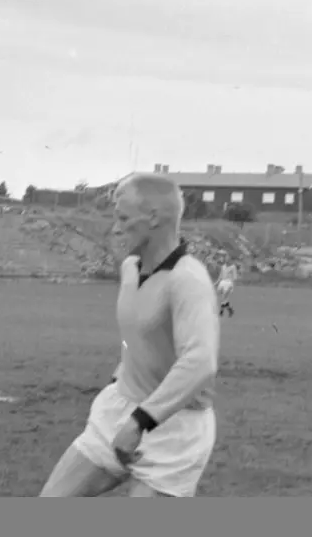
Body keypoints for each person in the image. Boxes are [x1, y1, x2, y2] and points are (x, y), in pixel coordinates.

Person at [39, 173, 219, 497]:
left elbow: (200, 362)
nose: (115, 227)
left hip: (173, 430)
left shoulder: (188, 279)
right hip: (119, 410)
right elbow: (132, 337)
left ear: (153, 217)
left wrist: (140, 422)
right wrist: (118, 377)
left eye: (123, 217)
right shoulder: (130, 268)